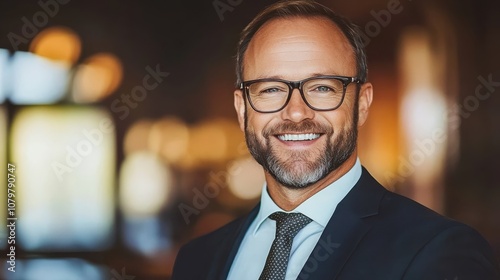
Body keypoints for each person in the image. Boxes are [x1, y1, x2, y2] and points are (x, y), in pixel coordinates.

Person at [172, 1, 500, 279]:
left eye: (323, 87)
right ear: (242, 109)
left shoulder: (440, 251)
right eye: (271, 89)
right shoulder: (197, 260)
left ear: (362, 104)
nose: (296, 113)